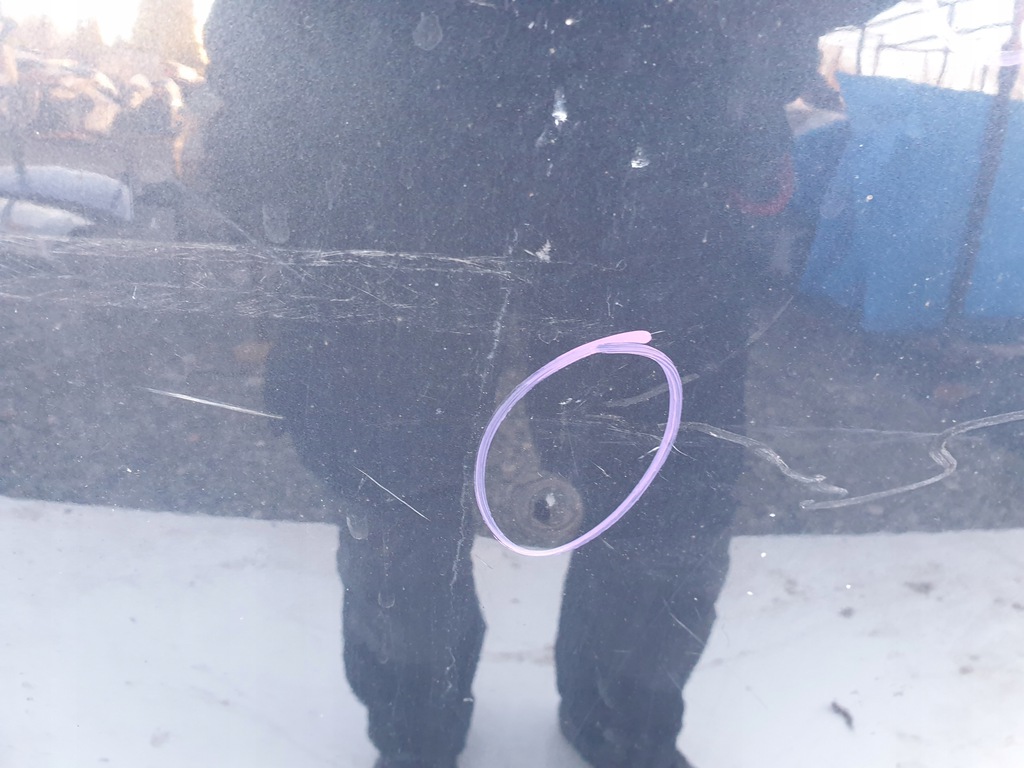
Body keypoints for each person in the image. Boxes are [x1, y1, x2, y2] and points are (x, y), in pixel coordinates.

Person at [201, 3, 892, 766]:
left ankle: (617, 730)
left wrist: (745, 38)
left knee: (667, 504)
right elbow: (261, 46)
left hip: (660, 162)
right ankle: (421, 736)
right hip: (401, 158)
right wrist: (274, 139)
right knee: (395, 505)